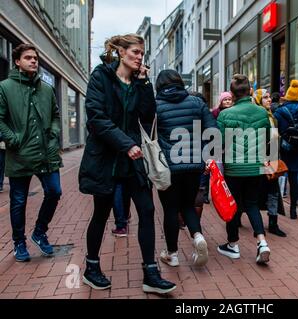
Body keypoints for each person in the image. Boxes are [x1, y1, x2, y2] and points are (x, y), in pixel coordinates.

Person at [79, 34, 176, 293]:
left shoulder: (137, 81)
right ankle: (91, 267)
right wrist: (125, 144)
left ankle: (150, 274)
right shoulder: (101, 76)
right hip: (107, 158)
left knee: (146, 211)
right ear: (121, 52)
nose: (139, 57)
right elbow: (96, 118)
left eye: (142, 53)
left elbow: (147, 114)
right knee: (101, 213)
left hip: (134, 161)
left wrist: (145, 83)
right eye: (135, 52)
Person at [0, 44, 63, 262]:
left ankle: (39, 232)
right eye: (28, 57)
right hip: (19, 154)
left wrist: (54, 133)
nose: (33, 61)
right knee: (18, 201)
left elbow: (55, 115)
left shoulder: (46, 89)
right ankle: (19, 243)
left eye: (35, 58)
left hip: (46, 153)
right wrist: (13, 139)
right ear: (17, 61)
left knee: (54, 191)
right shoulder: (5, 87)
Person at [155, 70, 217, 268]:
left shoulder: (156, 106)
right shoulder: (196, 103)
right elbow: (213, 131)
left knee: (170, 209)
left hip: (168, 167)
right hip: (194, 165)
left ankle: (172, 254)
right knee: (188, 205)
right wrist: (209, 158)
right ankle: (197, 236)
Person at [216, 74, 272, 265]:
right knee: (252, 204)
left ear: (232, 93)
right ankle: (262, 242)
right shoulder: (262, 113)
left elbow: (219, 143)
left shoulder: (225, 114)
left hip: (234, 169)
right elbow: (267, 139)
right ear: (250, 91)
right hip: (256, 167)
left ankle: (233, 245)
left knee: (232, 206)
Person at [253, 89, 286, 237]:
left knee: (273, 191)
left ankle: (273, 222)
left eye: (269, 97)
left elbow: (274, 140)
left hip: (271, 158)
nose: (269, 100)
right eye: (265, 97)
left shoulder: (274, 118)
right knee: (252, 190)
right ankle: (238, 216)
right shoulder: (256, 116)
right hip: (259, 159)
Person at [274, 80, 298, 220]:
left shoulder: (279, 111)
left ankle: (276, 209)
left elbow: (274, 129)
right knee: (294, 179)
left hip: (282, 148)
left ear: (287, 96)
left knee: (277, 178)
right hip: (297, 148)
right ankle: (293, 210)